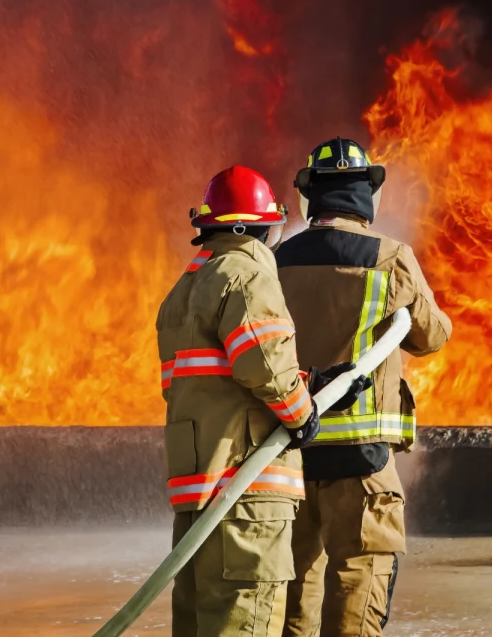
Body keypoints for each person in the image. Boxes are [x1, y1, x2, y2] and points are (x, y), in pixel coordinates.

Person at [158, 166, 368, 637]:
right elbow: (264, 364)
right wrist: (303, 412)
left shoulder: (184, 290)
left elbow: (216, 382)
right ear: (256, 228)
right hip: (246, 498)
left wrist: (312, 383)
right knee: (247, 622)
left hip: (199, 499)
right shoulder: (246, 275)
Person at [276, 139, 452, 637]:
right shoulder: (390, 257)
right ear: (366, 195)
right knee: (358, 588)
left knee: (291, 597)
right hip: (361, 463)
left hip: (288, 457)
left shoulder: (275, 261)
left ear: (312, 196)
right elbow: (431, 336)